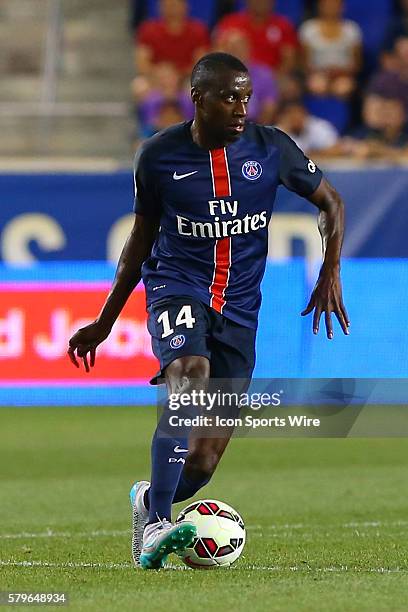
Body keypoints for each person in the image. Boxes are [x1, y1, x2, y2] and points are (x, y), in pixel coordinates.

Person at [67, 52, 349, 570]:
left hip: (240, 310)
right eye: (228, 96)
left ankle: (149, 501)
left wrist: (330, 271)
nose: (241, 106)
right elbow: (139, 241)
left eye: (246, 96)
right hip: (177, 286)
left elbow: (331, 202)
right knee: (189, 377)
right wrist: (105, 321)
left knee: (203, 462)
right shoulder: (157, 157)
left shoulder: (272, 149)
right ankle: (156, 525)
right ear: (198, 99)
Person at [299, 0, 362, 99]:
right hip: (317, 74)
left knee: (343, 88)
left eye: (335, 4)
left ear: (342, 7)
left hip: (343, 75)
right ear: (320, 6)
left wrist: (340, 72)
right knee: (318, 85)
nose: (331, 7)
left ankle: (341, 113)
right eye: (327, 4)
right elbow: (303, 62)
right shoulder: (309, 28)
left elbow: (356, 63)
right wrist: (322, 72)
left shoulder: (351, 29)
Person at [215, 0, 298, 74]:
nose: (260, 2)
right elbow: (217, 53)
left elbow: (289, 59)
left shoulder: (284, 26)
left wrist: (272, 79)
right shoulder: (230, 23)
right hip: (234, 76)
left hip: (272, 78)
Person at [135, 0, 210, 77]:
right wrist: (160, 73)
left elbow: (202, 64)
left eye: (174, 5)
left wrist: (178, 74)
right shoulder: (148, 30)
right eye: (167, 5)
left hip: (187, 78)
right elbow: (142, 64)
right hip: (157, 77)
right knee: (140, 85)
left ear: (185, 6)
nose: (171, 9)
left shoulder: (198, 30)